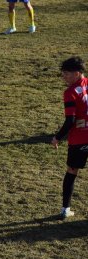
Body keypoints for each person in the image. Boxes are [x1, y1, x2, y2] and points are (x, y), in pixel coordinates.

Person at [51, 57, 88, 219]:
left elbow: (70, 121)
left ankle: (65, 209)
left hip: (80, 138)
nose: (63, 77)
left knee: (72, 171)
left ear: (77, 73)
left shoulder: (70, 93)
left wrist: (57, 137)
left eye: (66, 74)